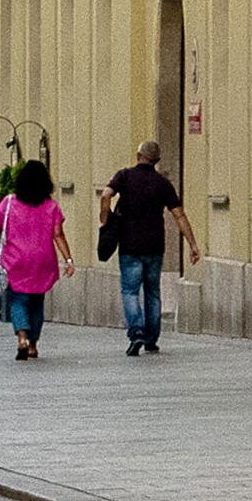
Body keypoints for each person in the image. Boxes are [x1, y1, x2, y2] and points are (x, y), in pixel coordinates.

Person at [98, 139, 197, 356]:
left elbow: (106, 194)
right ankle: (151, 339)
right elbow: (178, 214)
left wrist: (105, 218)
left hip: (130, 246)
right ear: (157, 161)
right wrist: (192, 244)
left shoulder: (124, 176)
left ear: (137, 155)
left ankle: (137, 333)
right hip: (154, 246)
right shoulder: (163, 183)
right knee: (153, 292)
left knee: (130, 291)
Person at [0, 160, 66, 363]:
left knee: (18, 301)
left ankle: (22, 338)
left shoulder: (9, 202)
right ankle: (33, 345)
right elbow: (58, 234)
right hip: (42, 260)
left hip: (16, 261)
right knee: (37, 302)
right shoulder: (51, 206)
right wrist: (69, 259)